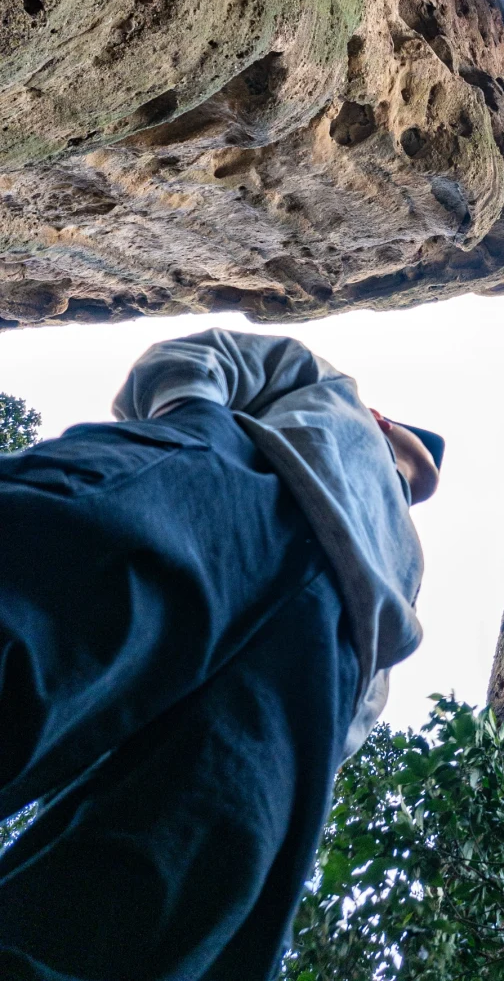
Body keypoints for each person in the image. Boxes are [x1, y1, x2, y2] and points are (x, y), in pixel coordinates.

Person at [0, 329, 443, 980]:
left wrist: (333, 738)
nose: (410, 477)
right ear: (382, 420)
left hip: (323, 648)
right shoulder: (330, 389)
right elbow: (209, 355)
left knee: (194, 857)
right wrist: (196, 425)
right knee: (50, 611)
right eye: (409, 457)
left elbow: (375, 680)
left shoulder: (405, 554)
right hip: (248, 482)